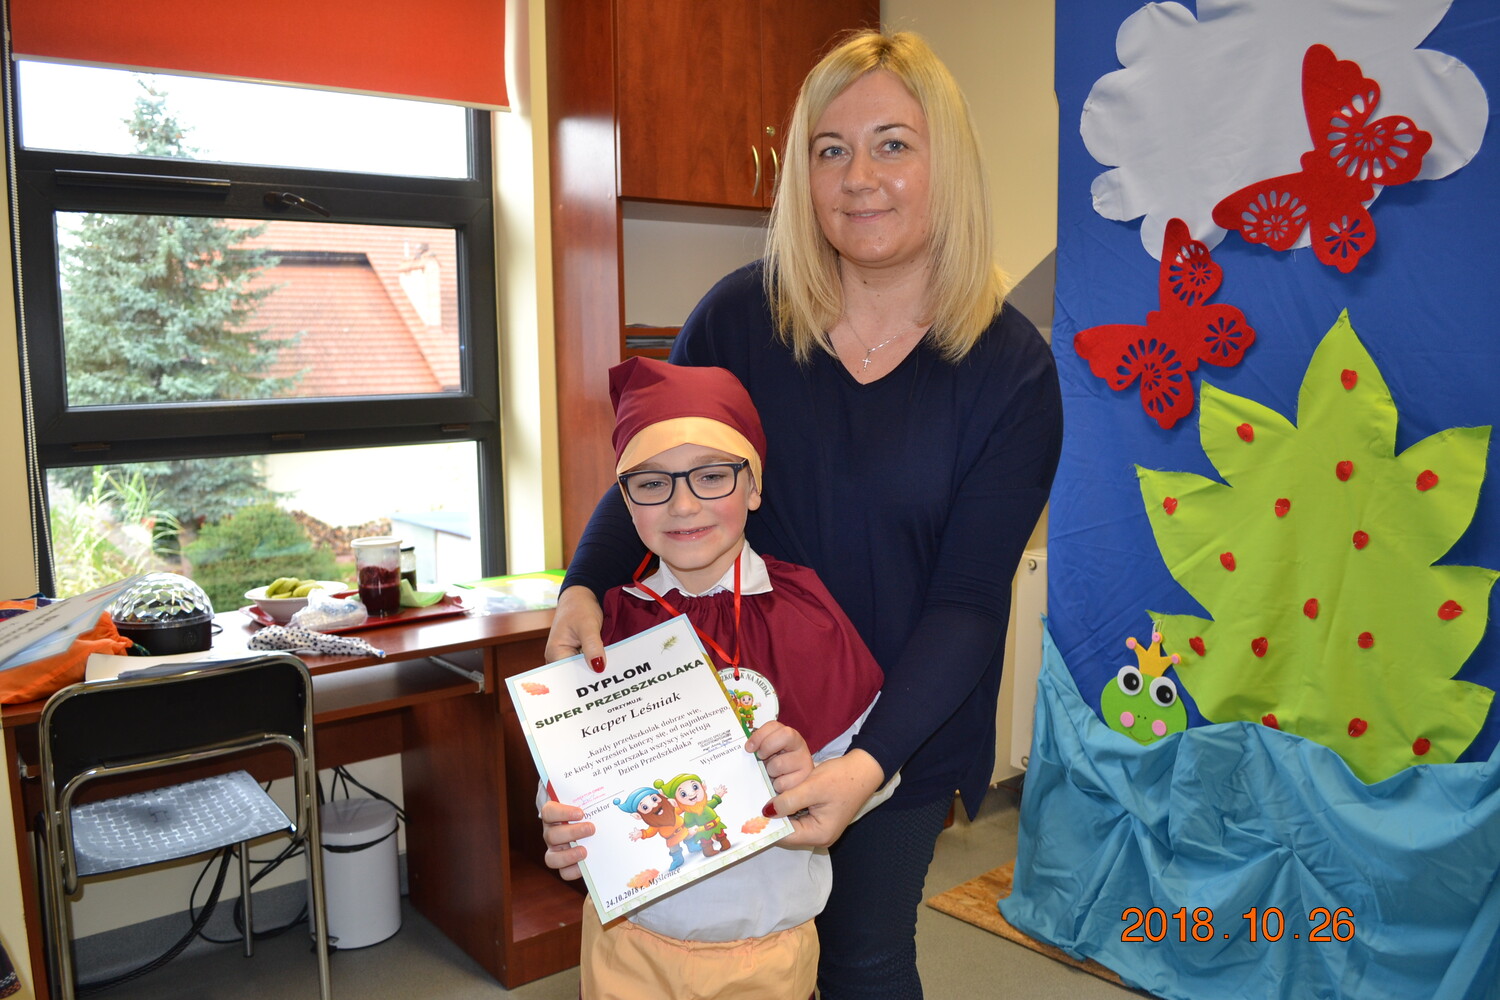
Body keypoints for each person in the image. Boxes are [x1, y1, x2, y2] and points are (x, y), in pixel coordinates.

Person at [544, 29, 1063, 998]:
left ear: (947, 164)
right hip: (736, 713)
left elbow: (967, 601)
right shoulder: (740, 320)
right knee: (732, 961)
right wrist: (584, 585)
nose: (859, 177)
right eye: (831, 150)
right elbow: (656, 469)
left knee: (863, 958)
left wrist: (865, 766)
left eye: (892, 144)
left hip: (899, 727)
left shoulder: (1011, 372)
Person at [546, 355, 892, 999]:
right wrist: (560, 819)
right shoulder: (606, 625)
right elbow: (569, 780)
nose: (682, 505)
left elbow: (874, 772)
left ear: (753, 486)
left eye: (711, 476)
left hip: (765, 954)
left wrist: (808, 776)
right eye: (652, 483)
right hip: (625, 945)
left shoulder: (805, 612)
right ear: (625, 500)